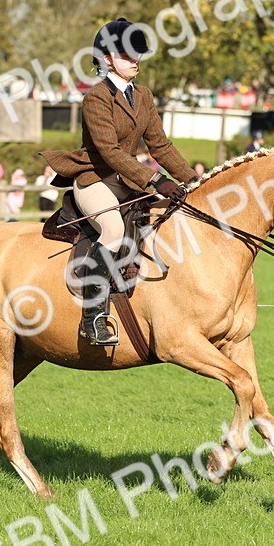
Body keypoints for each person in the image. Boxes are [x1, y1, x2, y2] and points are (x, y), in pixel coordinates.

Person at [41, 17, 197, 345]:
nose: (135, 61)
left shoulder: (143, 95)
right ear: (107, 58)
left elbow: (161, 146)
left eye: (138, 55)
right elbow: (110, 152)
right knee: (113, 230)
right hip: (95, 179)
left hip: (128, 182)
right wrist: (155, 179)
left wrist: (194, 179)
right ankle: (93, 318)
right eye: (128, 56)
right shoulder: (96, 98)